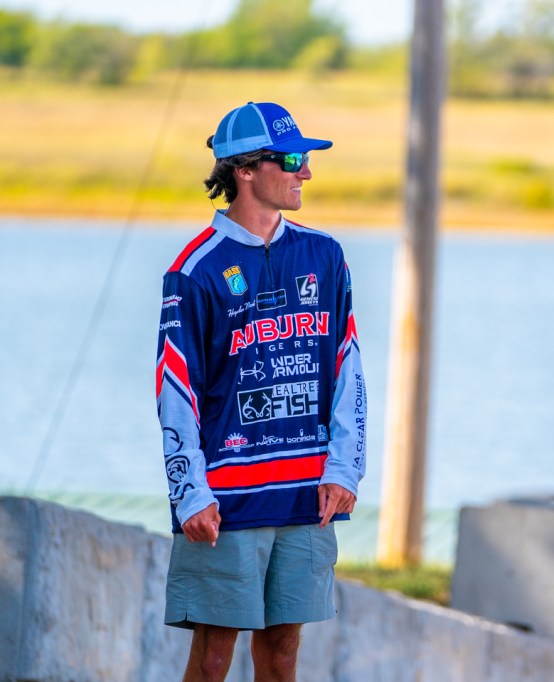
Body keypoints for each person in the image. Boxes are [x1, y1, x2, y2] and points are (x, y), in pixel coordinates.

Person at [156, 101, 366, 681]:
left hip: (306, 493)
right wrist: (189, 492)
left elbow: (347, 366)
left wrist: (345, 468)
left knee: (282, 653)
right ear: (245, 170)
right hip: (225, 498)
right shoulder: (194, 269)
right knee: (212, 658)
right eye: (293, 160)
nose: (307, 172)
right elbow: (175, 387)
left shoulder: (325, 254)